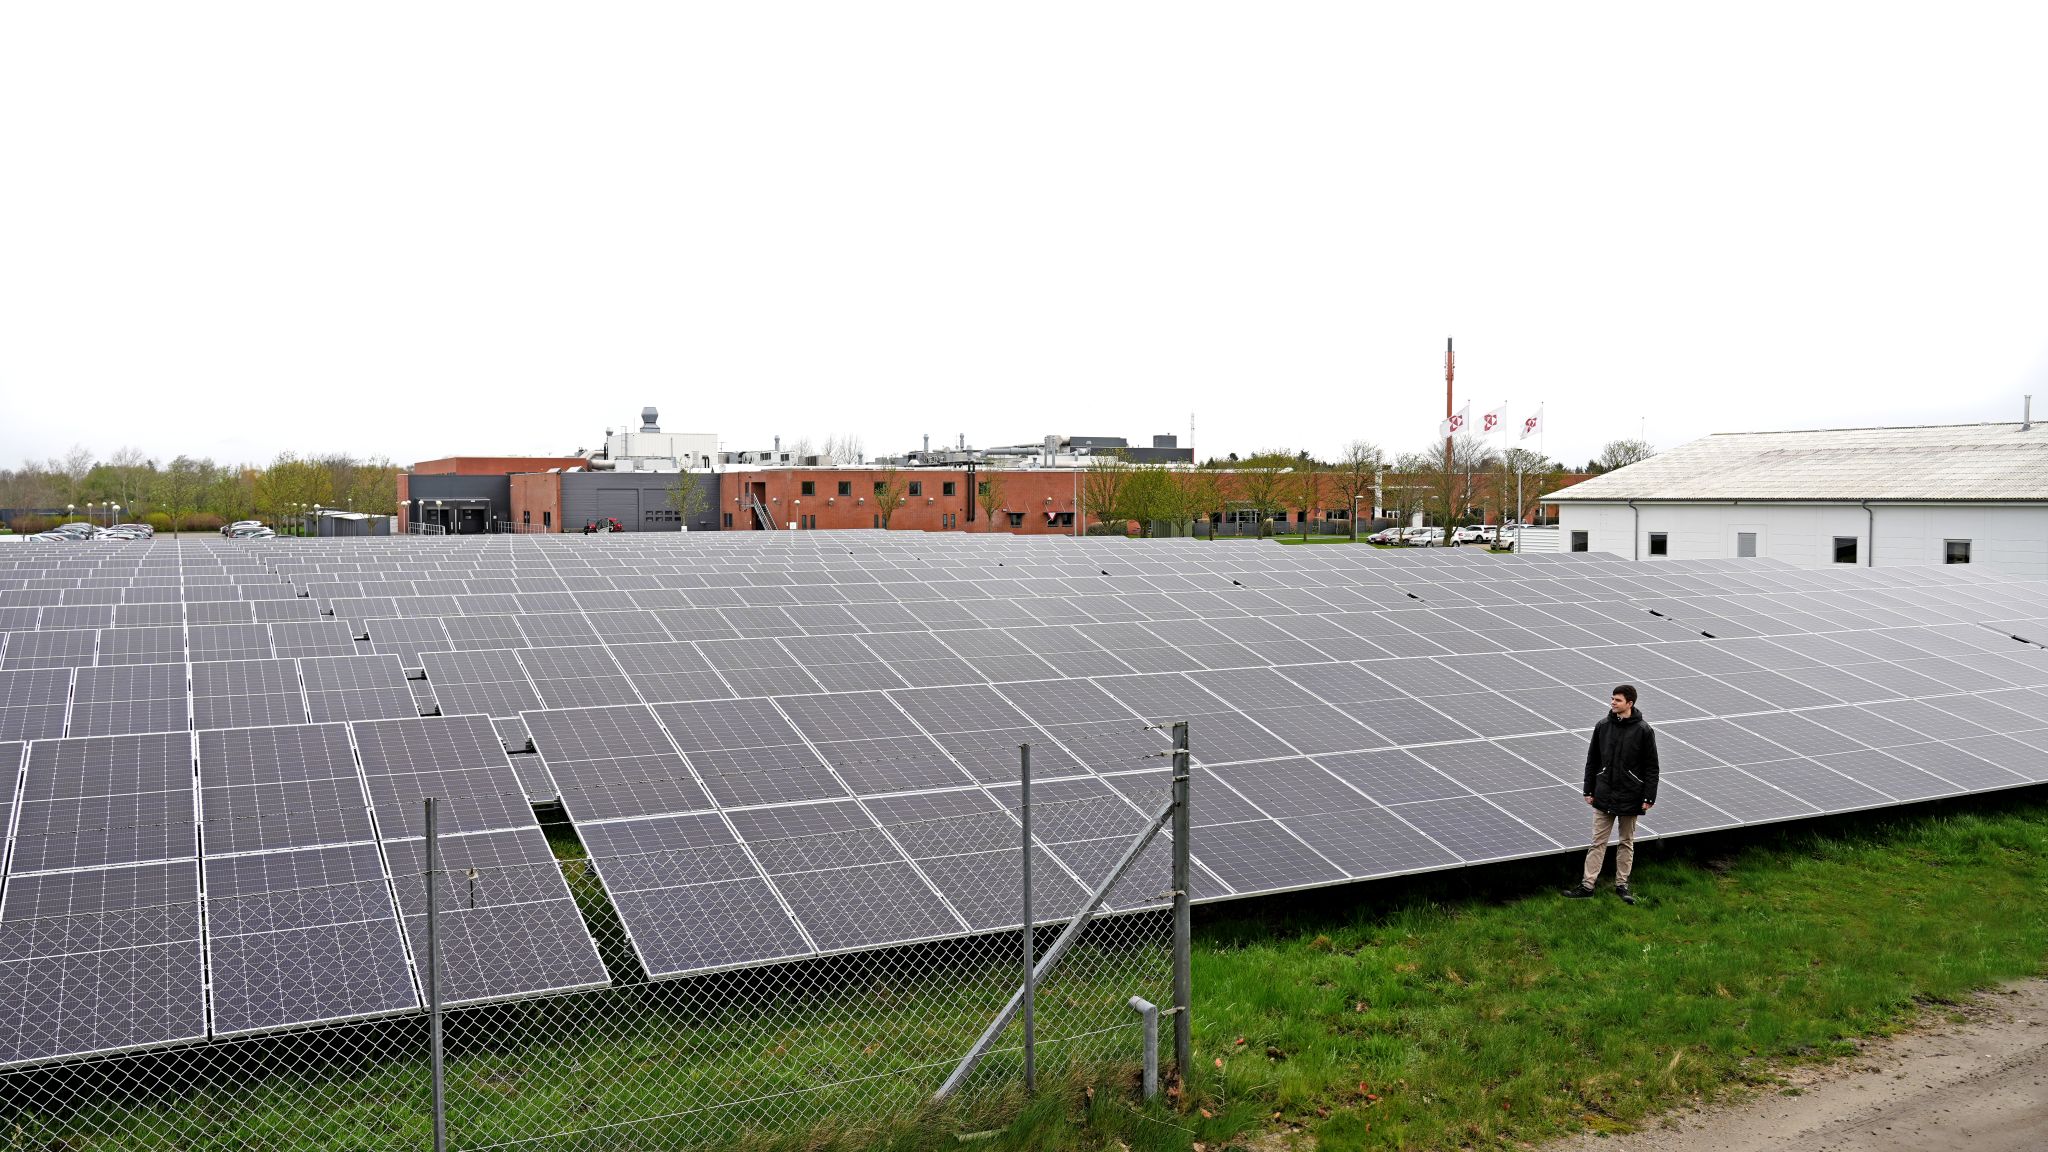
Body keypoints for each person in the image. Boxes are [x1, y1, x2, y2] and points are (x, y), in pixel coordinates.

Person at [1564, 683, 1658, 905]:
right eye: (1612, 699)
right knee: (1598, 841)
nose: (1612, 703)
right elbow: (1592, 760)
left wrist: (1648, 797)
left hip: (1631, 795)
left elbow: (1651, 767)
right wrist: (1588, 789)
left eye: (1617, 700)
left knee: (1626, 841)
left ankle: (1621, 885)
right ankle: (1587, 885)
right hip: (1604, 793)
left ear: (1630, 703)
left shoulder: (1644, 730)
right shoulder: (1603, 726)